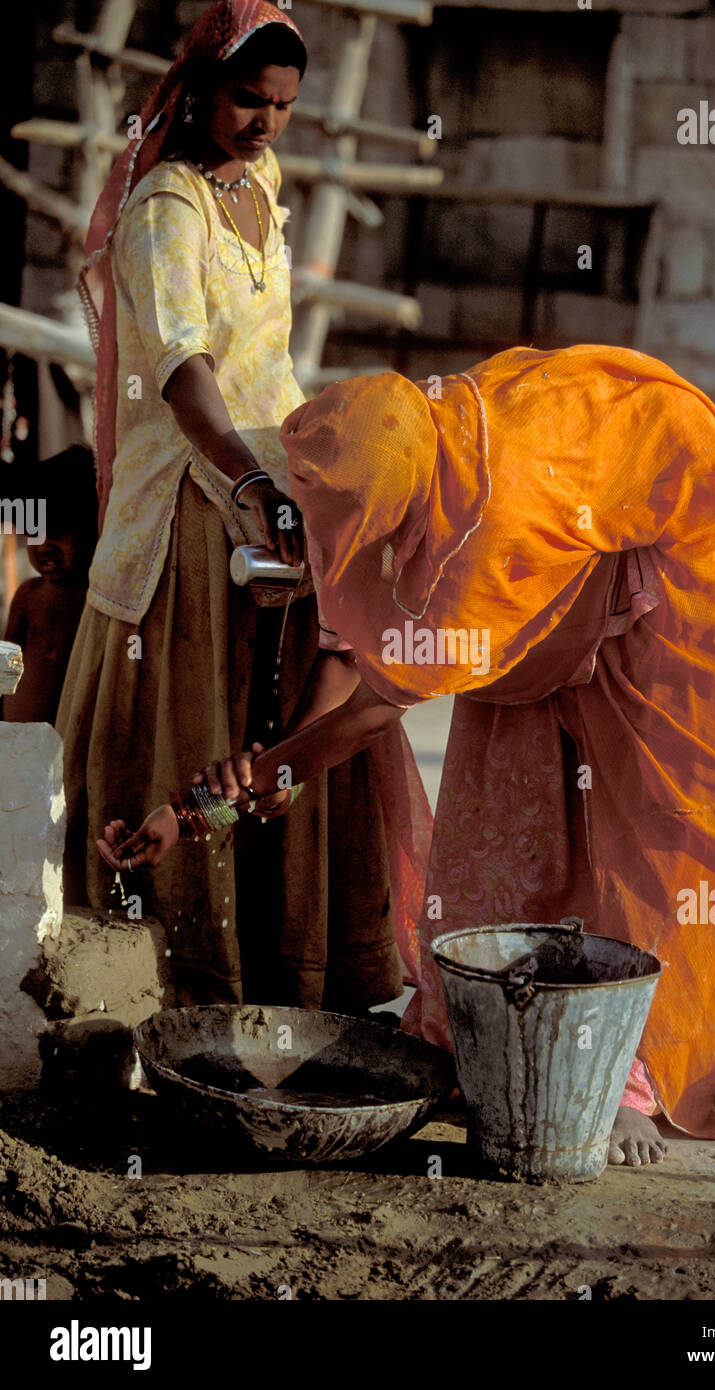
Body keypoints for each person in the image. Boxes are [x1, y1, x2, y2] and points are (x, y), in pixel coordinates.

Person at [98, 344, 715, 1166]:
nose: (329, 545)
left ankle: (622, 1075)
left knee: (654, 820)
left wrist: (224, 796)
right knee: (509, 793)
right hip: (573, 525)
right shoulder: (413, 440)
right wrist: (241, 788)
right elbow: (355, 667)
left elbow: (363, 710)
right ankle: (482, 1020)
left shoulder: (482, 550)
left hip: (675, 533)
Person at [59, 0, 430, 1012]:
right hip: (192, 490)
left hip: (283, 490)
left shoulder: (264, 184)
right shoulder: (165, 210)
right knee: (199, 722)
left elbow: (274, 358)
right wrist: (250, 479)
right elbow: (185, 371)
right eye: (245, 100)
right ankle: (169, 992)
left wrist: (302, 479)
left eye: (283, 106)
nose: (264, 124)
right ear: (200, 90)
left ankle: (287, 980)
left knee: (297, 731)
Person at [2, 445, 97, 723]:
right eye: (34, 532)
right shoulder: (28, 596)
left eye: (57, 532)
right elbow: (7, 661)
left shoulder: (94, 599)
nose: (42, 546)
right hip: (17, 740)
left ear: (93, 530)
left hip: (66, 739)